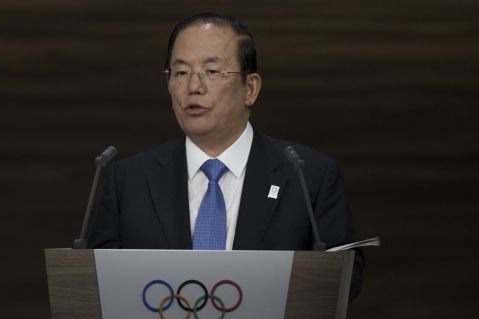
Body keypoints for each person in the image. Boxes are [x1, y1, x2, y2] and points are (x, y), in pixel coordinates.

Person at [87, 12, 363, 300]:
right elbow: (95, 282)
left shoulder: (309, 176)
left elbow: (347, 280)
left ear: (250, 88)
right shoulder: (129, 180)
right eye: (181, 72)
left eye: (213, 71)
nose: (194, 87)